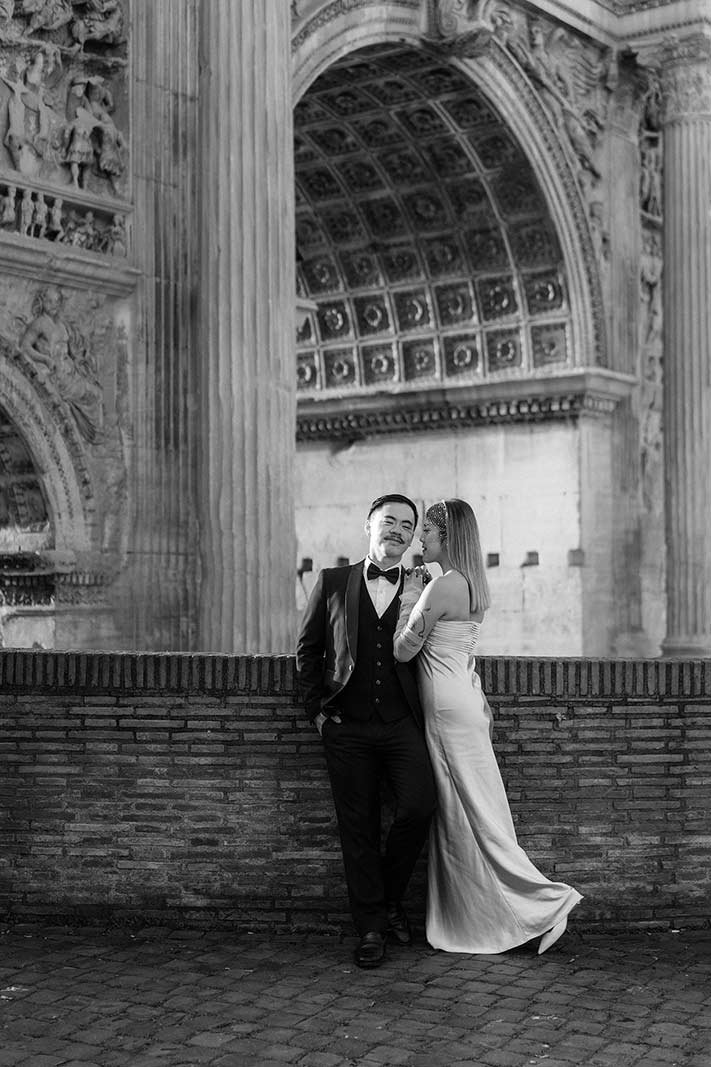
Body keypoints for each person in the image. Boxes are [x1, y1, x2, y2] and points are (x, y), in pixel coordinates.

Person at [394, 499, 582, 955]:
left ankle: (547, 903)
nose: (421, 539)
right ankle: (491, 916)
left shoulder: (438, 589)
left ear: (447, 537)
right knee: (476, 812)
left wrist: (407, 598)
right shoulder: (474, 586)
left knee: (470, 815)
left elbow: (403, 650)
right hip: (466, 700)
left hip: (446, 709)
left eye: (429, 533)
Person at [296, 494, 437, 969]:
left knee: (419, 806)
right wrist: (315, 710)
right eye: (388, 521)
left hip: (402, 724)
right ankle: (372, 928)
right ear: (369, 525)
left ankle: (390, 898)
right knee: (357, 829)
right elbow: (308, 649)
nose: (397, 530)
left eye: (406, 525)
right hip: (347, 727)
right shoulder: (332, 582)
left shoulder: (424, 586)